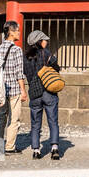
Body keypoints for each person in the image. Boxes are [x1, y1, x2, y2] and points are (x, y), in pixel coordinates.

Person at [24, 29, 61, 160]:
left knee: (35, 123)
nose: (46, 42)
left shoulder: (26, 57)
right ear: (39, 41)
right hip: (48, 91)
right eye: (45, 40)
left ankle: (35, 150)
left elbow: (26, 74)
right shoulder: (46, 54)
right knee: (53, 121)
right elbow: (57, 68)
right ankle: (55, 148)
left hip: (34, 93)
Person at [0, 21, 27, 154]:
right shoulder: (17, 50)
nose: (19, 32)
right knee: (14, 119)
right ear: (11, 32)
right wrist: (23, 90)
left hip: (1, 90)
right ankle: (10, 147)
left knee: (1, 118)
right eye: (17, 30)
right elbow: (19, 72)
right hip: (13, 89)